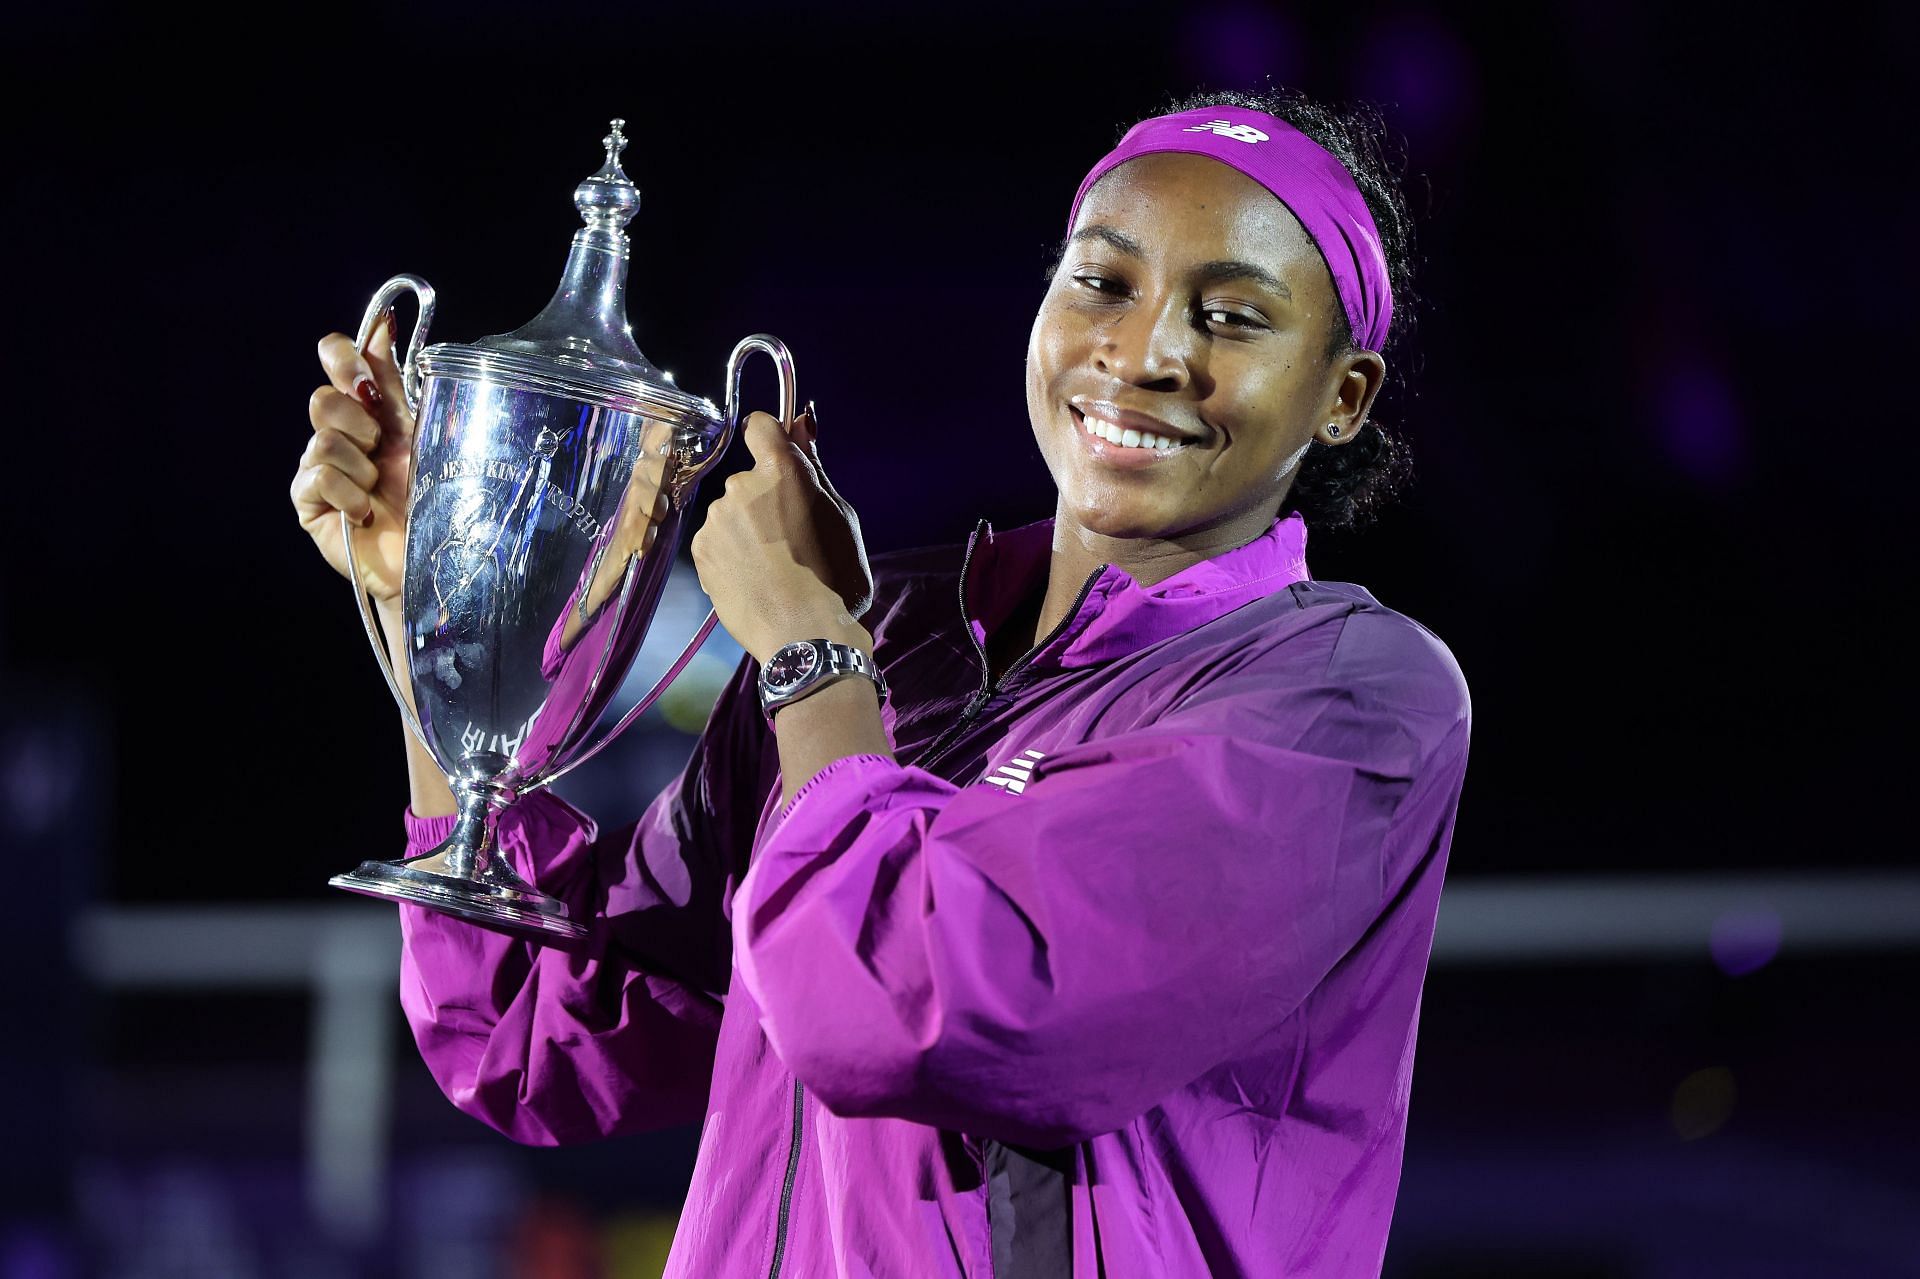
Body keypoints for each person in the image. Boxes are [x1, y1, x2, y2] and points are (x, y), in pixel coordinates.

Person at [292, 86, 1470, 1278]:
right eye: (1103, 284)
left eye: (1230, 316)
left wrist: (813, 659)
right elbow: (540, 1039)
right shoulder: (895, 636)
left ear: (1342, 397)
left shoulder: (1344, 701)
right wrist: (436, 608)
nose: (1148, 352)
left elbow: (903, 1006)